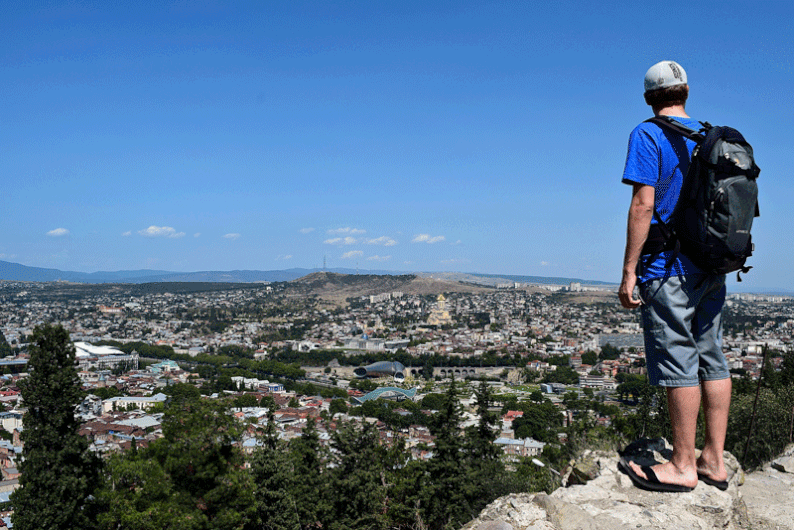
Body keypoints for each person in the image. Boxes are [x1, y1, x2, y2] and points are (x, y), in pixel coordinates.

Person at [618, 60, 731, 492]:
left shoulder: (648, 134)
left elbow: (643, 205)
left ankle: (682, 465)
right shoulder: (710, 136)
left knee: (678, 361)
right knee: (712, 357)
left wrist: (629, 270)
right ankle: (713, 460)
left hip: (668, 268)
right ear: (685, 92)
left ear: (649, 97)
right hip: (711, 263)